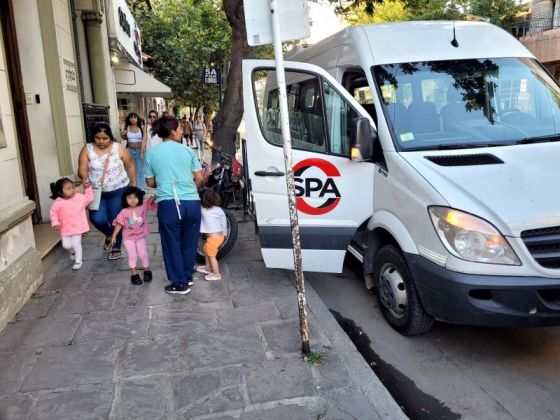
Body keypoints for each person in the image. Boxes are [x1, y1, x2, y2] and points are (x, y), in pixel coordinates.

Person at [145, 115, 204, 295]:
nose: (181, 132)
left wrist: (163, 182)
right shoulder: (187, 151)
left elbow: (149, 182)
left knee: (172, 243)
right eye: (179, 129)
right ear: (172, 131)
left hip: (169, 204)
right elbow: (199, 178)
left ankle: (179, 284)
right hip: (192, 203)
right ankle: (187, 276)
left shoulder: (152, 153)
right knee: (190, 242)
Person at [78, 123, 136, 260]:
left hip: (118, 189)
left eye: (105, 138)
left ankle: (116, 247)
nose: (101, 141)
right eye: (98, 138)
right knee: (97, 218)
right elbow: (82, 168)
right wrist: (83, 177)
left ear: (110, 137)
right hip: (97, 192)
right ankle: (110, 235)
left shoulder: (119, 148)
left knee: (116, 219)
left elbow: (130, 165)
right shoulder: (87, 149)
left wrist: (134, 184)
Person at [111, 186, 157, 285]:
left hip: (140, 237)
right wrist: (114, 235)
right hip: (128, 239)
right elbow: (119, 224)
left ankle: (147, 270)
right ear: (125, 199)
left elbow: (151, 200)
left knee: (143, 254)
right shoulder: (123, 212)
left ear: (139, 198)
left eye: (135, 197)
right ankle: (134, 274)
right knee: (132, 256)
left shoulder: (143, 206)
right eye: (129, 197)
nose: (132, 200)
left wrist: (157, 193)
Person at [49, 178, 94, 270]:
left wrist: (87, 188)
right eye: (68, 189)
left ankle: (78, 260)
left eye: (73, 187)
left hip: (78, 227)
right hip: (65, 228)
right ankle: (72, 251)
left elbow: (89, 198)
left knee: (76, 243)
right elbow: (53, 213)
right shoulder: (58, 202)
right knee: (66, 245)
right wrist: (55, 222)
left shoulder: (79, 197)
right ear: (60, 192)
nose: (72, 190)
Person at [196, 189, 227, 281]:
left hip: (213, 238)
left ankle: (216, 274)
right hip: (219, 236)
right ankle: (207, 268)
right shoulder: (219, 210)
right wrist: (225, 235)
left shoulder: (202, 211)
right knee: (206, 249)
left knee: (212, 256)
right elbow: (223, 223)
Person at [121, 112, 147, 189]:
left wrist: (142, 151)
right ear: (129, 119)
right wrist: (122, 133)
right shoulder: (127, 128)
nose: (133, 119)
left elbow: (144, 140)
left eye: (135, 117)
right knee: (129, 169)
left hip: (139, 150)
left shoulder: (141, 128)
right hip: (129, 150)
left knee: (140, 169)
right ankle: (131, 187)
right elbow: (123, 137)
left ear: (137, 119)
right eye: (131, 117)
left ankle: (140, 188)